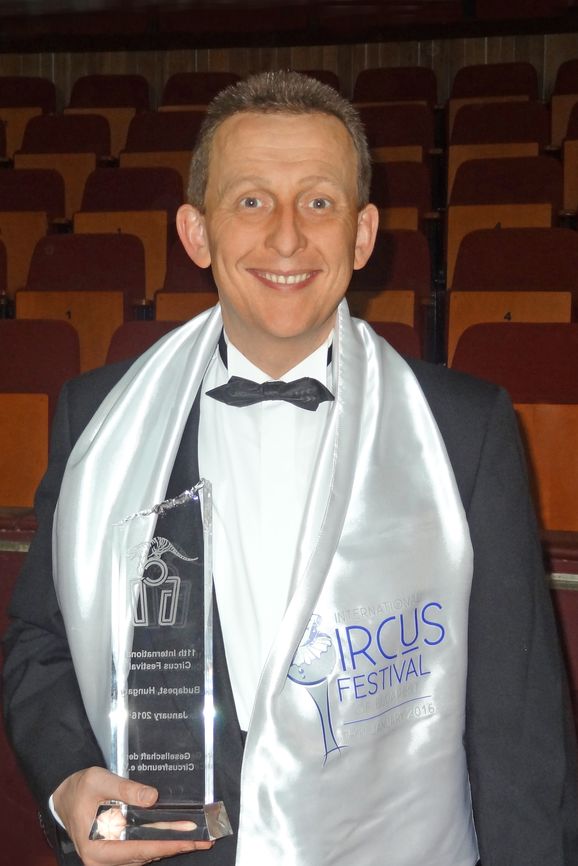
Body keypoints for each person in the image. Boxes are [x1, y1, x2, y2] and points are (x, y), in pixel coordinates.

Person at [2, 70, 577, 866]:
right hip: (168, 850)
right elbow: (41, 641)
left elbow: (517, 720)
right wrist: (67, 781)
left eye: (319, 202)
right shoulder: (100, 419)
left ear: (363, 234)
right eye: (250, 201)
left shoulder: (463, 428)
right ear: (196, 232)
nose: (285, 238)